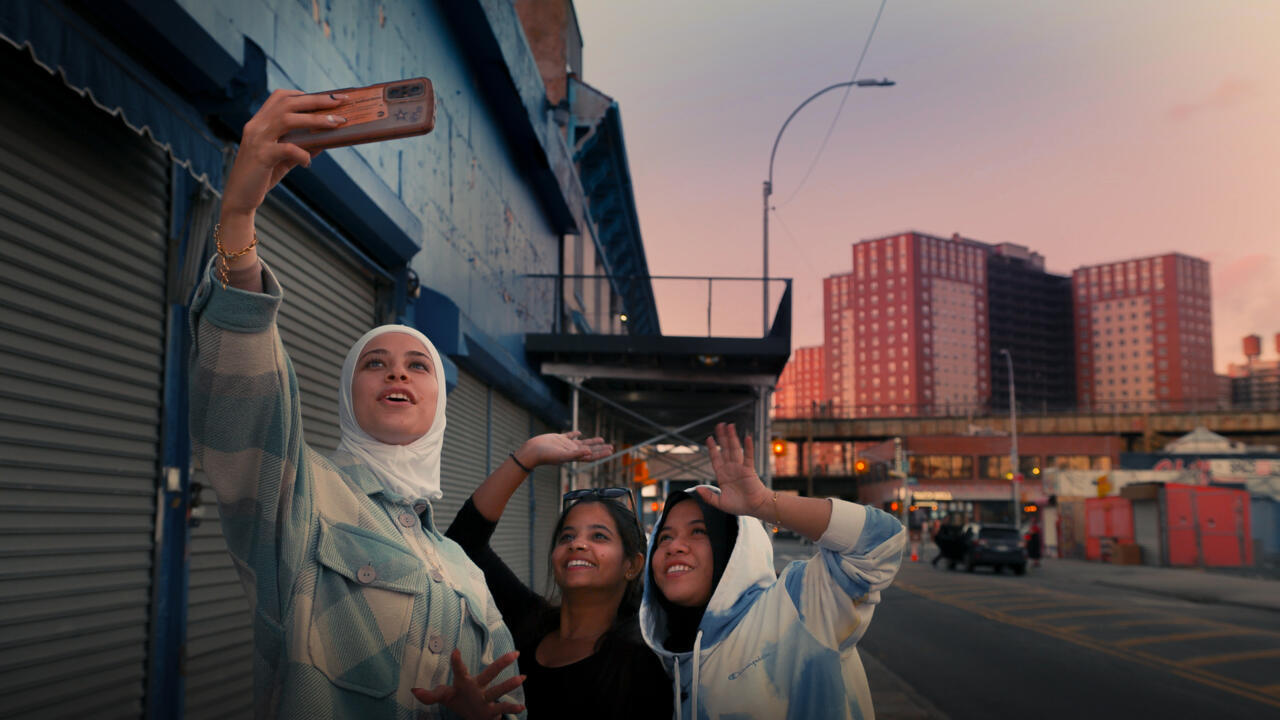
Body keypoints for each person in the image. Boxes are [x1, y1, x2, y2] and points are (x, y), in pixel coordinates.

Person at [191, 89, 524, 719]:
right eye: (375, 363)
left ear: (438, 403)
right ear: (349, 396)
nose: (396, 371)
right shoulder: (301, 496)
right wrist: (238, 217)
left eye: (417, 364)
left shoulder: (466, 576)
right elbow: (247, 397)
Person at [641, 423, 905, 720]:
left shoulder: (795, 607)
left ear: (731, 547)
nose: (675, 546)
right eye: (664, 537)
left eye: (698, 532)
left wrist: (765, 504)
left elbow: (880, 542)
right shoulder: (660, 654)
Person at [445, 452, 674, 718]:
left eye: (599, 536)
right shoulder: (529, 621)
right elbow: (463, 543)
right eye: (567, 536)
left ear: (632, 565)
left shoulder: (642, 663)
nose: (577, 544)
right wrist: (526, 458)